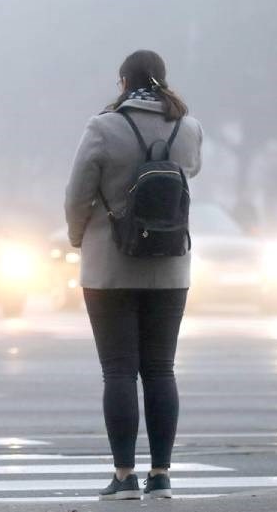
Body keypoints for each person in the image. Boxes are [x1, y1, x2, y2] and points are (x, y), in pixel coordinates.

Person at [64, 50, 204, 501]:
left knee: (119, 372)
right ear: (163, 80)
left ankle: (124, 476)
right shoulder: (188, 127)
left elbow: (78, 192)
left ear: (123, 81)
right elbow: (192, 173)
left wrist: (78, 235)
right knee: (161, 369)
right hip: (170, 263)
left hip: (110, 267)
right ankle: (161, 474)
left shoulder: (103, 127)